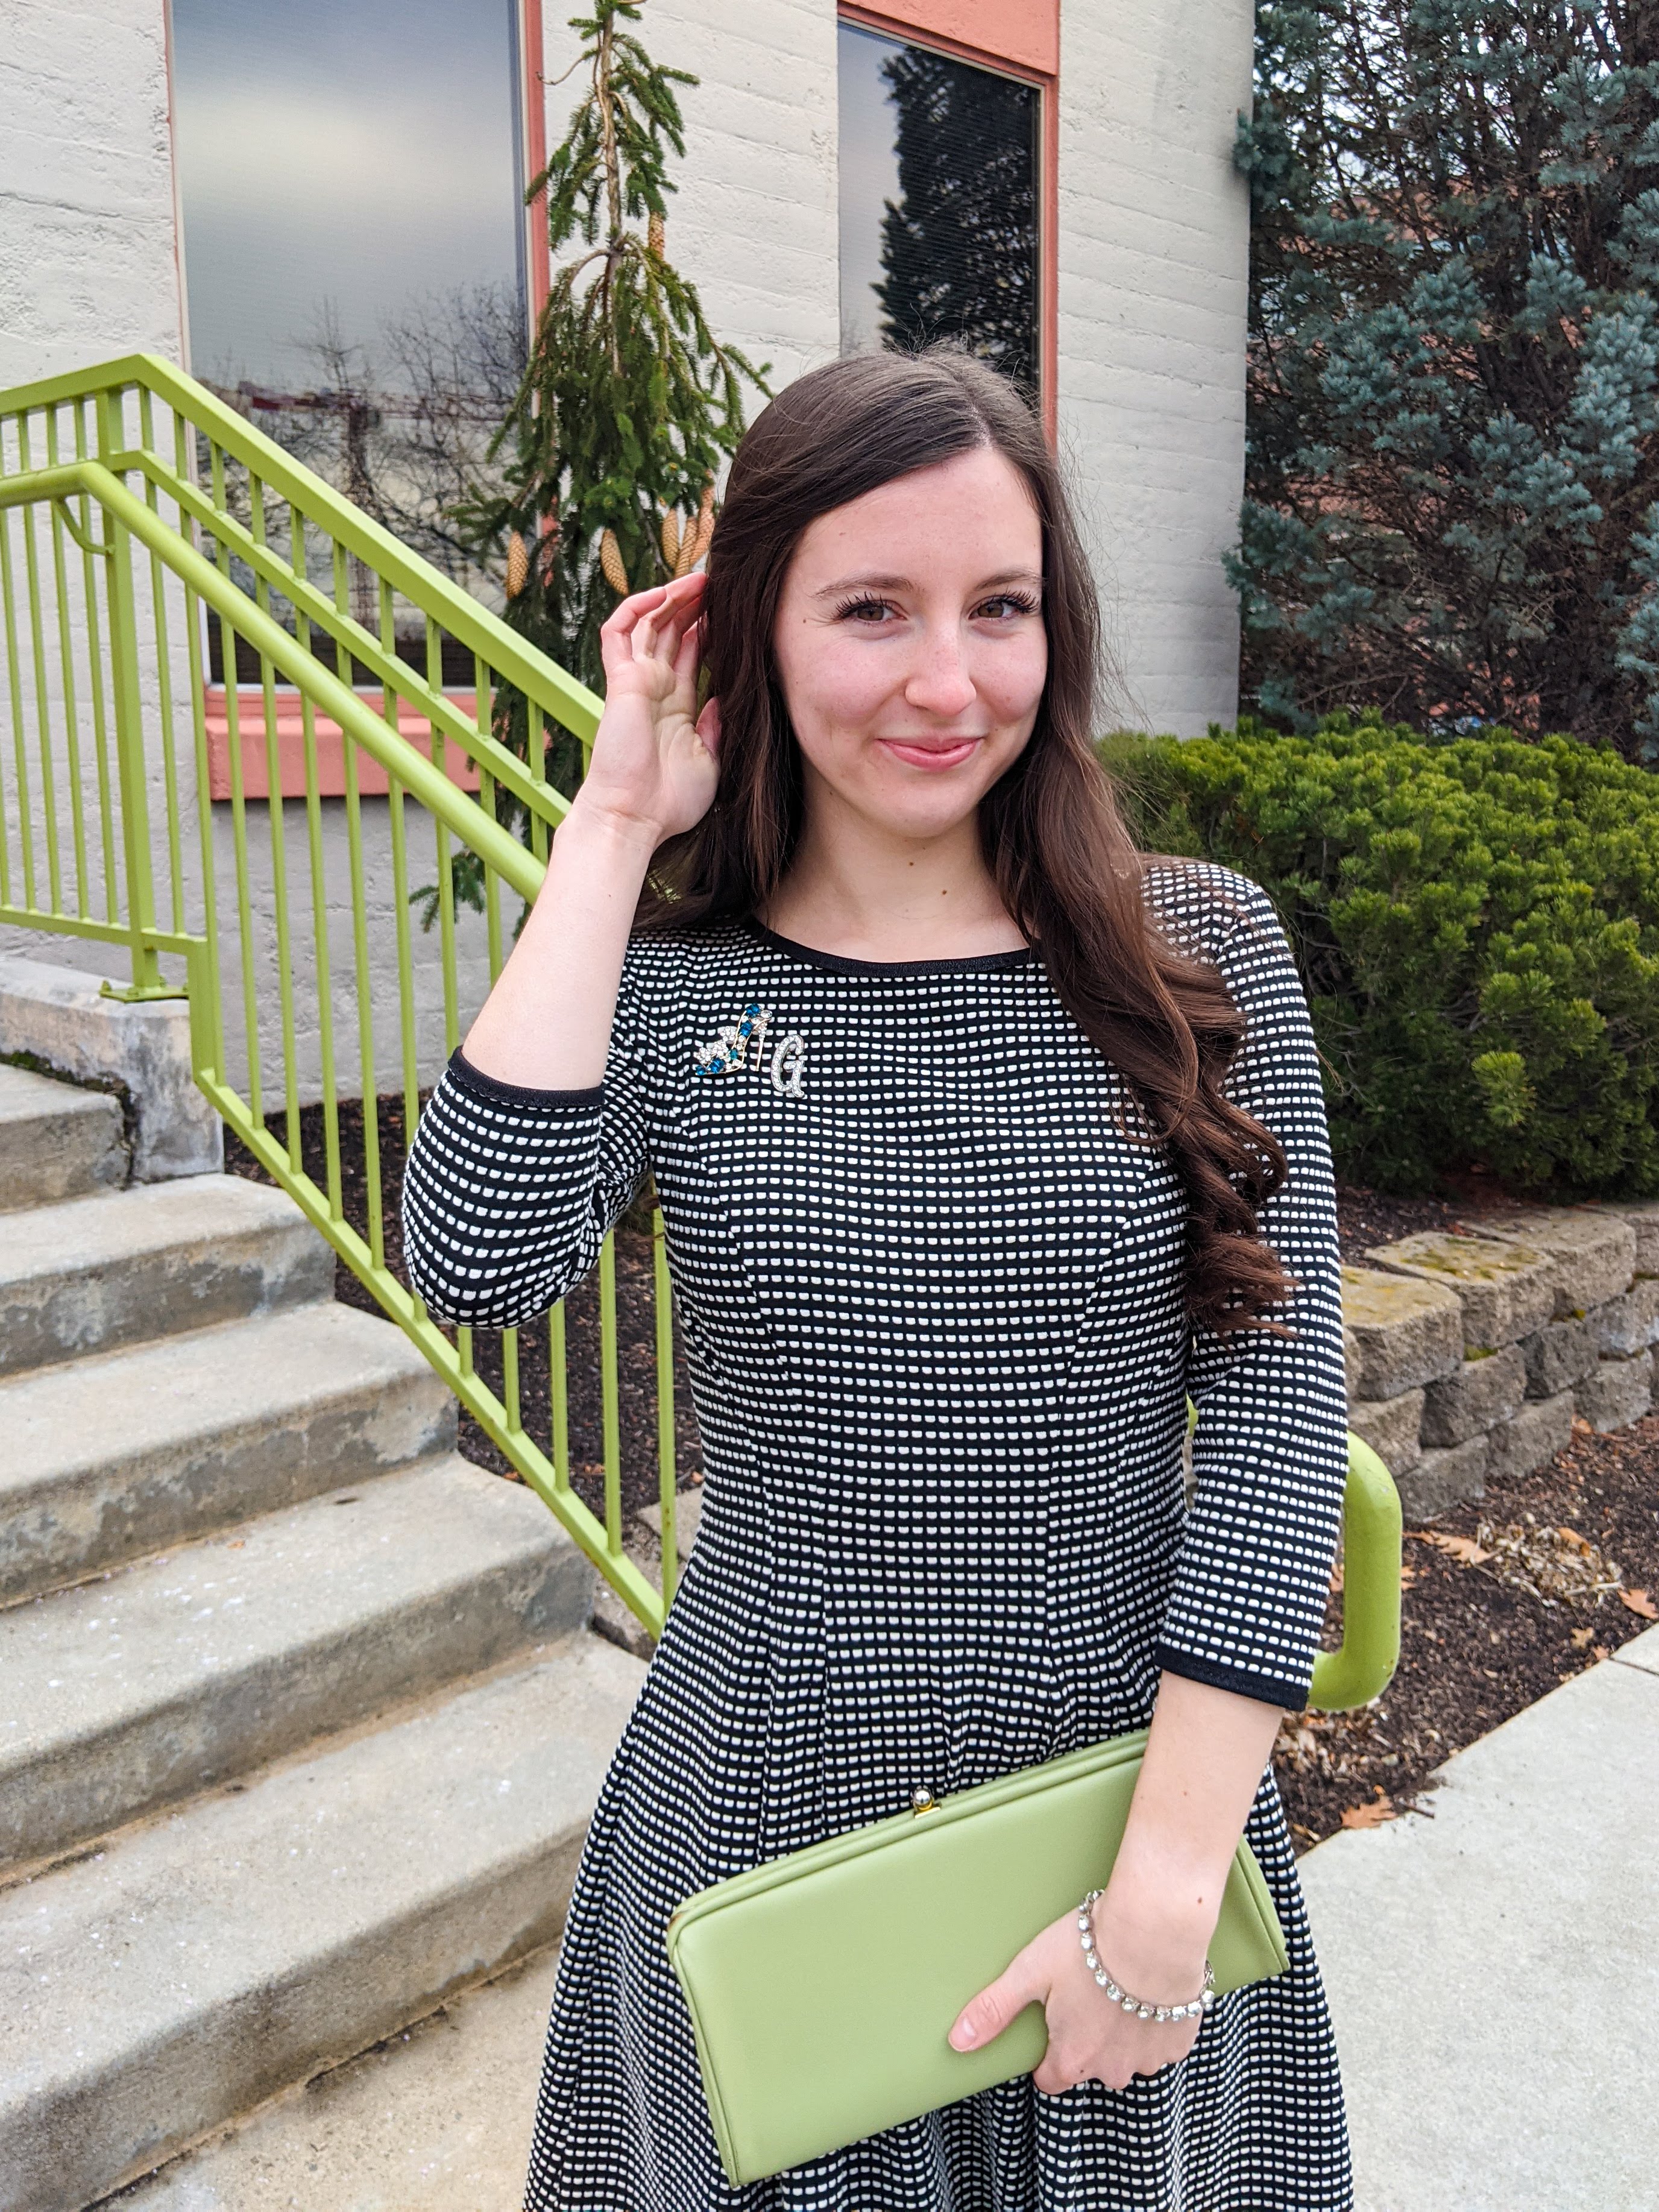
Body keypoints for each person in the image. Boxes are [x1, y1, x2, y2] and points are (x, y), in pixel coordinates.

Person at [401, 348, 1352, 2211]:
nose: (948, 682)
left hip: (1118, 1822)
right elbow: (478, 1258)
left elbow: (1274, 1426)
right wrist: (614, 825)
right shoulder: (684, 1001)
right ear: (748, 633)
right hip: (759, 1828)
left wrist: (1163, 1898)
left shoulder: (1194, 949)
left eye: (1000, 608)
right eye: (870, 611)